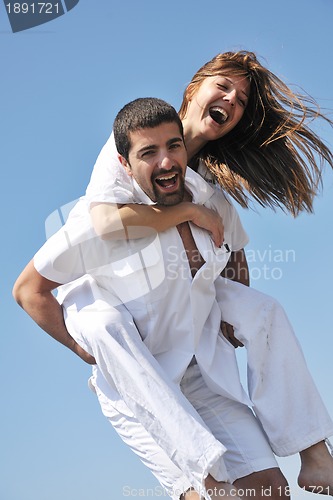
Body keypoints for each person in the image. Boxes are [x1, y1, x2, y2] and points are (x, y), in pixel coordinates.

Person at [13, 49, 333, 495]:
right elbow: (91, 237)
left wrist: (228, 314)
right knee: (211, 490)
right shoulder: (125, 157)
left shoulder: (211, 192)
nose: (231, 99)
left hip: (197, 361)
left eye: (241, 99)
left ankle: (312, 448)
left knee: (268, 489)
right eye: (222, 85)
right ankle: (199, 466)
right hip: (141, 378)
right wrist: (85, 349)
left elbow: (235, 252)